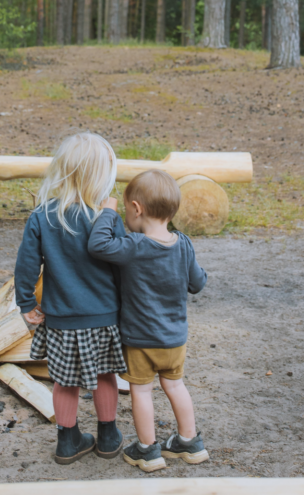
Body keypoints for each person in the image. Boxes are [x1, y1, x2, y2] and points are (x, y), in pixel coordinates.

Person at [14, 132, 126, 465]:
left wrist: (25, 303)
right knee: (105, 376)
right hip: (104, 317)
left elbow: (25, 267)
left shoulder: (42, 217)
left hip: (62, 320)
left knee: (64, 381)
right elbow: (122, 269)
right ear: (101, 175)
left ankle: (67, 442)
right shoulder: (106, 219)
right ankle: (108, 436)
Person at [88, 169, 209, 473]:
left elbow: (98, 245)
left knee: (142, 392)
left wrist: (106, 210)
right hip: (175, 340)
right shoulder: (183, 244)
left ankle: (147, 450)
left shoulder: (134, 246)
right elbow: (197, 284)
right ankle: (189, 442)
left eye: (127, 208)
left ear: (136, 208)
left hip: (140, 341)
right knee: (175, 385)